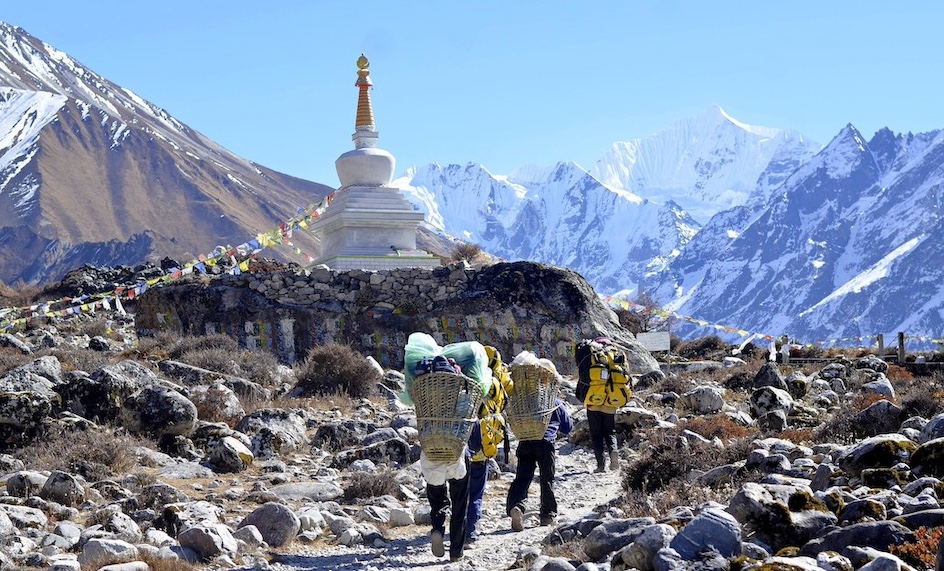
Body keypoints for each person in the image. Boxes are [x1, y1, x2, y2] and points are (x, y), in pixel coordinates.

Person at [465, 345, 513, 543]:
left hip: (458, 447)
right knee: (476, 492)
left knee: (459, 492)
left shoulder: (461, 381)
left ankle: (455, 531)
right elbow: (503, 403)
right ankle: (471, 533)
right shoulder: (493, 383)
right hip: (482, 448)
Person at [505, 398, 573, 530]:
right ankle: (547, 516)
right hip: (546, 443)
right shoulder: (555, 403)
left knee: (522, 478)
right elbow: (567, 428)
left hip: (525, 442)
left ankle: (516, 506)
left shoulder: (524, 401)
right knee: (547, 479)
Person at [575, 337, 621, 473]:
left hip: (593, 401)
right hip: (610, 402)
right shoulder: (613, 355)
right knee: (610, 431)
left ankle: (600, 466)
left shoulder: (592, 356)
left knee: (596, 435)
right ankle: (614, 453)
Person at [422, 440, 471, 561]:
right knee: (459, 506)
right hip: (456, 459)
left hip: (432, 458)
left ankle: (438, 528)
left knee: (438, 503)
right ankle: (456, 552)